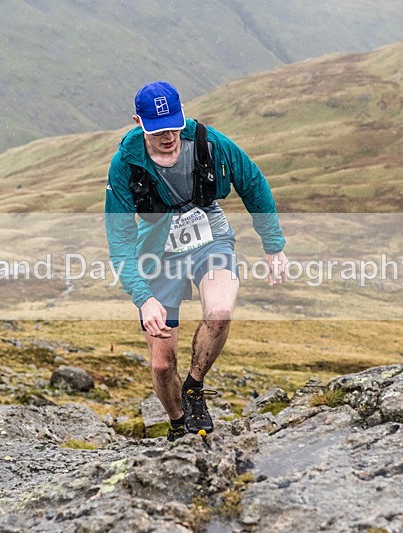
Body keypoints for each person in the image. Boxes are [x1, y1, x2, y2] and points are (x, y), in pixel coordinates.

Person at [104, 80, 287, 441]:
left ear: (182, 114)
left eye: (173, 124)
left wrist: (273, 244)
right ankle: (177, 423)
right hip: (159, 250)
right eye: (158, 130)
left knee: (219, 313)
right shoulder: (124, 164)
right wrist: (143, 298)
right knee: (160, 363)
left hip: (211, 237)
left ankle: (194, 388)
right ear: (138, 122)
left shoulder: (209, 141)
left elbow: (252, 182)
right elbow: (120, 239)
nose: (168, 135)